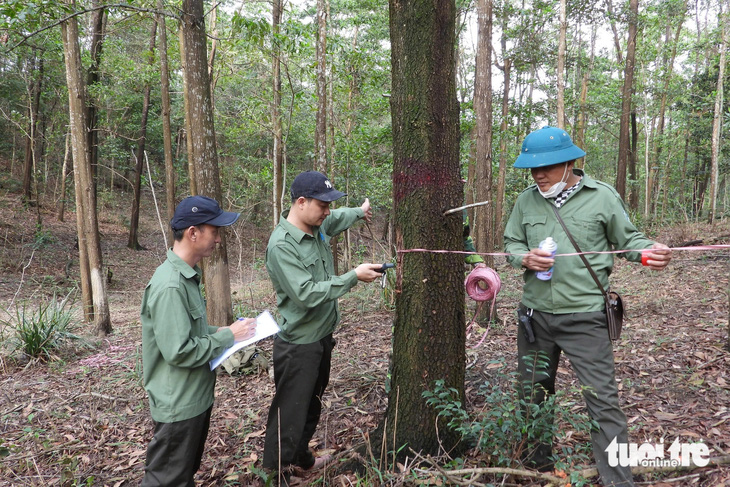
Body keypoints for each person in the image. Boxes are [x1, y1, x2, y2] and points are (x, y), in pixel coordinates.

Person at [503, 126, 672, 486]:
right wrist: (523, 258)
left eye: (546, 166)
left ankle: (617, 479)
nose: (538, 174)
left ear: (570, 163)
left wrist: (647, 254)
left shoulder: (602, 197)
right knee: (532, 395)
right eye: (532, 168)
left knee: (603, 402)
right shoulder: (525, 201)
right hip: (534, 318)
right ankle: (535, 470)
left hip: (586, 318)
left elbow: (628, 241)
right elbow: (511, 243)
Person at [262, 171, 383, 485]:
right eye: (322, 205)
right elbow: (306, 294)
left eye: (329, 205)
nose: (327, 211)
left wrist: (359, 211)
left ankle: (301, 456)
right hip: (298, 345)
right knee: (289, 413)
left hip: (321, 339)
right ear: (301, 203)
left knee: (311, 406)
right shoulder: (282, 245)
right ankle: (276, 473)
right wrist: (353, 276)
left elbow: (338, 217)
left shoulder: (318, 225)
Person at [140, 195, 257, 486]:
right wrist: (230, 335)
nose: (218, 240)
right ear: (193, 233)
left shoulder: (186, 277)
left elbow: (189, 331)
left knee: (180, 475)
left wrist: (221, 331)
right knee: (166, 479)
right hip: (178, 403)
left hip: (192, 398)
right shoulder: (170, 285)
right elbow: (179, 351)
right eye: (214, 231)